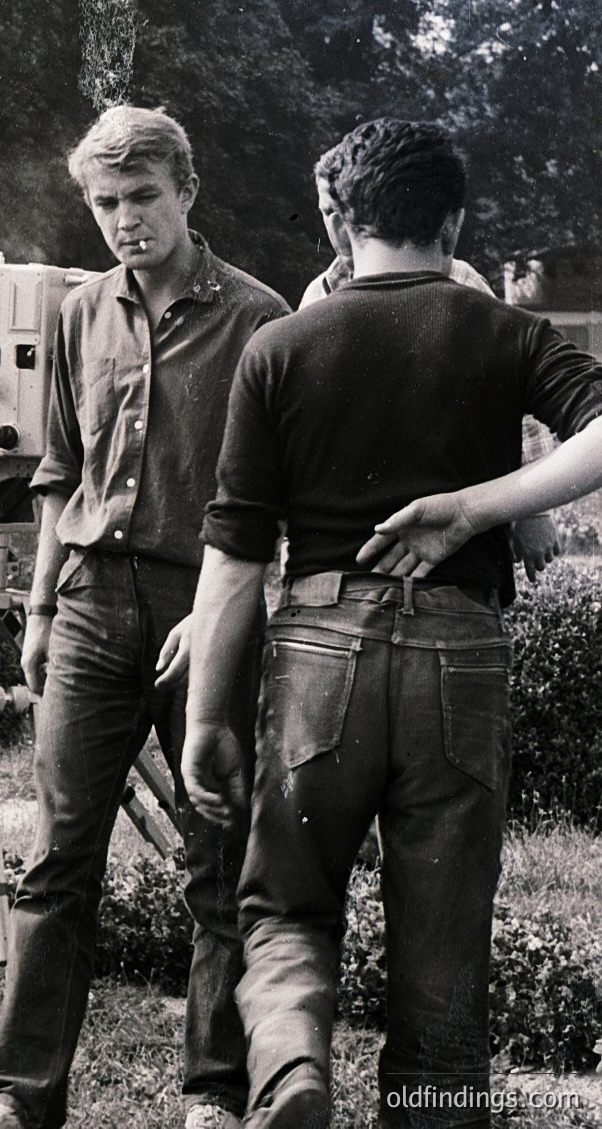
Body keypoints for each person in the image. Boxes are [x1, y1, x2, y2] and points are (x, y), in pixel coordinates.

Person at [182, 119, 602, 1129]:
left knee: (284, 899)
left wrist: (205, 717)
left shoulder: (278, 345)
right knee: (444, 947)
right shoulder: (503, 332)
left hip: (322, 646)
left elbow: (235, 557)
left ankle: (289, 1066)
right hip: (460, 649)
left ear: (341, 218)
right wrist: (475, 506)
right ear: (452, 217)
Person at [0, 106, 289, 1129]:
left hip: (208, 603)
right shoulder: (77, 313)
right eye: (104, 203)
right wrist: (40, 600)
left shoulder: (258, 317)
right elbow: (58, 471)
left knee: (217, 849)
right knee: (59, 854)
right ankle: (22, 1098)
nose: (122, 219)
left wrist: (225, 605)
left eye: (140, 197)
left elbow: (274, 501)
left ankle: (212, 1092)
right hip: (94, 601)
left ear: (186, 190)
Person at [302, 169, 561, 583]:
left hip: (450, 525)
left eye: (342, 211)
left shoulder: (460, 281)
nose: (334, 226)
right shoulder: (317, 297)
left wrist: (533, 511)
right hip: (352, 539)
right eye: (324, 212)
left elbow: (513, 394)